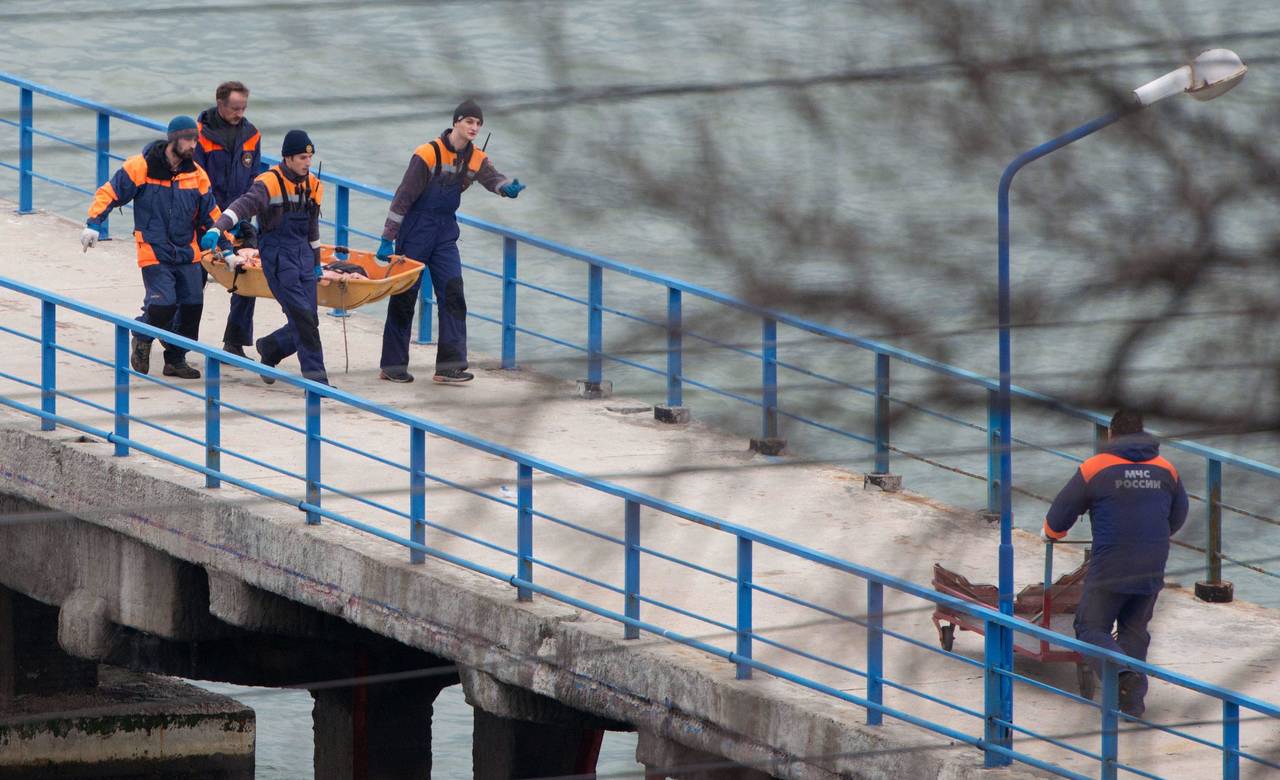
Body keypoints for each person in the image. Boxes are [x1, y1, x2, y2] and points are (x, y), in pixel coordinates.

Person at [1043, 409, 1188, 717]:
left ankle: (1123, 674)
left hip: (1111, 565)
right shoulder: (1166, 469)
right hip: (1152, 562)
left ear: (1111, 434)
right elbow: (1178, 516)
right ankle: (1132, 704)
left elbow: (1058, 518)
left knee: (1089, 626)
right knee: (1134, 631)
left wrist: (1051, 533)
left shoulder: (1095, 467)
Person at [375, 99, 526, 384]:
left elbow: (492, 177)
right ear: (456, 122)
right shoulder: (427, 153)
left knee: (453, 293)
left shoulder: (476, 157)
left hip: (445, 232)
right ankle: (392, 366)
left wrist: (507, 188)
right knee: (405, 297)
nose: (474, 127)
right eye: (469, 121)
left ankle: (449, 367)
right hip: (416, 229)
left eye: (478, 123)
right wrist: (387, 238)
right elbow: (403, 197)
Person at [82, 116, 227, 379]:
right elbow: (110, 193)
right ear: (173, 138)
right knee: (163, 305)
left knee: (192, 306)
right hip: (153, 248)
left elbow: (212, 214)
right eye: (188, 139)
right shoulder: (141, 166)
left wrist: (228, 248)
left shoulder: (196, 174)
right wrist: (94, 223)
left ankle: (175, 359)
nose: (193, 145)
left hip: (187, 250)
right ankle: (142, 334)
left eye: (196, 140)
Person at [200, 130, 329, 385]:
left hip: (304, 256)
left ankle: (270, 348)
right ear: (288, 158)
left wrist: (316, 263)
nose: (308, 163)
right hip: (278, 258)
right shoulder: (268, 183)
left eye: (310, 157)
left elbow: (312, 230)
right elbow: (241, 207)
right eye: (302, 158)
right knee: (302, 318)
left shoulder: (313, 185)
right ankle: (317, 383)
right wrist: (217, 228)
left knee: (310, 318)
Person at [195, 80, 262, 358]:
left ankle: (235, 342)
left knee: (247, 280)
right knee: (191, 285)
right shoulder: (199, 135)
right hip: (203, 220)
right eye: (235, 108)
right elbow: (196, 181)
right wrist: (213, 218)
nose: (240, 113)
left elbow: (255, 179)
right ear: (220, 104)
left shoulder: (252, 135)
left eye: (243, 107)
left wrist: (243, 215)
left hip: (239, 219)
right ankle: (176, 343)